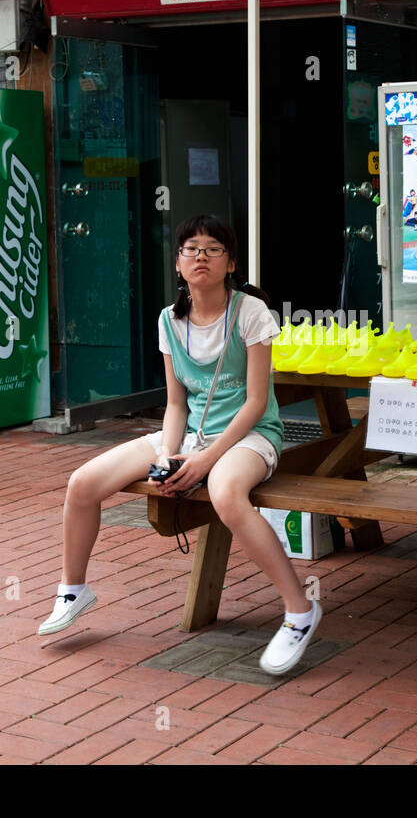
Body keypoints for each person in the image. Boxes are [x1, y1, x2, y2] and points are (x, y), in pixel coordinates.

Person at [39, 214, 321, 675]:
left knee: (226, 493)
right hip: (193, 435)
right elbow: (175, 404)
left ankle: (300, 611)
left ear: (231, 263)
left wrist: (206, 459)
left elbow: (254, 402)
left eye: (213, 249)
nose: (201, 257)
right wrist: (170, 456)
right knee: (82, 482)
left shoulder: (250, 312)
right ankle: (74, 589)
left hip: (251, 435)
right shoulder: (169, 320)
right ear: (177, 263)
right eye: (191, 249)